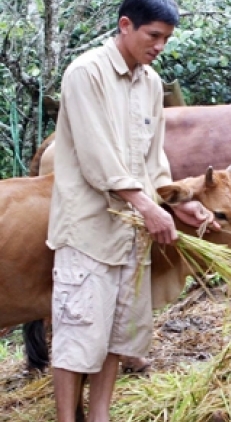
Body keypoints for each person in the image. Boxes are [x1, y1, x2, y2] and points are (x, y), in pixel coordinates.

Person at [46, 1, 218, 420]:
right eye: (152, 36)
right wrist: (146, 206)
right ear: (126, 25)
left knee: (116, 334)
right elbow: (96, 156)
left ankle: (100, 415)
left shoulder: (151, 83)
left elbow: (153, 160)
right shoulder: (86, 74)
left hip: (132, 234)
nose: (159, 46)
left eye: (166, 39)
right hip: (89, 231)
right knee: (78, 334)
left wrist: (178, 206)